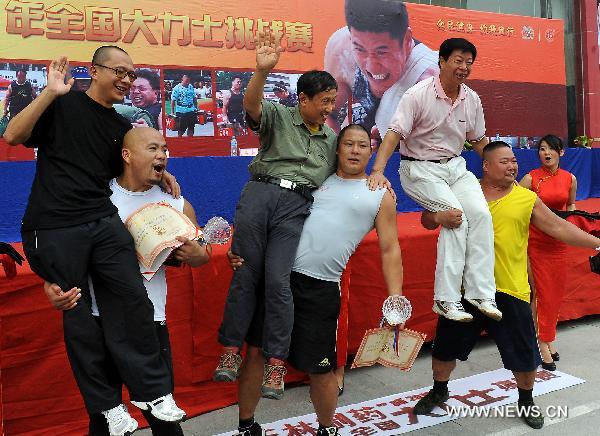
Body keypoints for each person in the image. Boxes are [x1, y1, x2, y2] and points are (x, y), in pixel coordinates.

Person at [2, 47, 184, 435]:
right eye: (119, 71)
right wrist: (51, 92)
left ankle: (152, 392)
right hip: (52, 226)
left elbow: (135, 166)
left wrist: (160, 172)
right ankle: (107, 407)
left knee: (133, 296)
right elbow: (13, 135)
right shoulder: (61, 104)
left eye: (132, 74)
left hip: (100, 220)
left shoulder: (123, 128)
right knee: (77, 310)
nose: (127, 80)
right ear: (94, 71)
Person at [227, 124, 404, 436]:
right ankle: (246, 426)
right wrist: (241, 251)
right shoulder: (315, 180)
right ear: (337, 149)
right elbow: (266, 216)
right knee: (256, 352)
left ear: (370, 151)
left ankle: (326, 429)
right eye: (348, 143)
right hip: (277, 277)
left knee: (320, 368)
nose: (354, 150)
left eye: (362, 145)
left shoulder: (379, 194)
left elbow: (390, 249)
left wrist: (396, 300)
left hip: (320, 288)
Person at [416, 141, 600, 430]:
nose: (512, 166)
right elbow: (427, 219)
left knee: (524, 355)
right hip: (465, 291)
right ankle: (439, 390)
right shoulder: (463, 192)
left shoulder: (526, 198)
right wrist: (439, 217)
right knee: (444, 350)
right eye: (504, 161)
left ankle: (526, 399)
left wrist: (598, 244)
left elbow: (559, 227)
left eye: (514, 160)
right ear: (486, 166)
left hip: (509, 289)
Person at [44, 127, 209, 436]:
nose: (162, 154)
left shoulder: (176, 204)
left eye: (164, 148)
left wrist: (197, 254)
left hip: (148, 322)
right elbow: (65, 255)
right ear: (127, 155)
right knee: (104, 421)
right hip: (97, 318)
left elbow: (204, 253)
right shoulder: (94, 198)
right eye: (152, 148)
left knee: (164, 421)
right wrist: (50, 287)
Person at [213, 32, 339, 400]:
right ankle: (230, 351)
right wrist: (261, 71)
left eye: (333, 102)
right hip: (261, 194)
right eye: (324, 102)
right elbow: (251, 106)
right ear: (303, 99)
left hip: (297, 207)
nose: (329, 108)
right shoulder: (280, 116)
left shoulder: (331, 140)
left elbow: (344, 174)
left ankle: (277, 362)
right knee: (245, 276)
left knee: (278, 282)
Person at [368, 37, 501, 323]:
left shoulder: (472, 99)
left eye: (468, 62)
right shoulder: (417, 95)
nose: (463, 67)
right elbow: (393, 134)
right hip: (419, 169)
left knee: (480, 215)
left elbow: (478, 140)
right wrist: (377, 170)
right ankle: (446, 299)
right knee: (455, 218)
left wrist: (497, 165)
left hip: (455, 167)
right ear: (441, 62)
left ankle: (480, 292)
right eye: (458, 61)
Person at [324, 0, 438, 138]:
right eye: (360, 49)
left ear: (407, 40)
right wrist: (338, 153)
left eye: (382, 52)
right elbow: (325, 113)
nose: (372, 67)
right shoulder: (341, 49)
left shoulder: (429, 78)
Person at [519, 135, 577, 371]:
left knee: (555, 294)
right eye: (542, 149)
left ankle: (548, 338)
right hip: (536, 244)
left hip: (559, 244)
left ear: (561, 153)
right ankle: (542, 343)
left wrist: (572, 222)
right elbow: (515, 207)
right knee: (541, 294)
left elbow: (571, 205)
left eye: (551, 149)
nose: (546, 153)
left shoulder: (569, 179)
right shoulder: (529, 178)